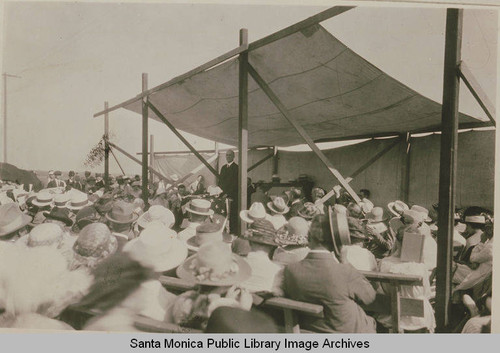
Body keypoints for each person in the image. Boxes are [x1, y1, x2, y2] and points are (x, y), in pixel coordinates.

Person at [283, 214, 376, 333]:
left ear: (309, 239)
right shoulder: (344, 271)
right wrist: (345, 261)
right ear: (336, 243)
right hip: (346, 333)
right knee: (369, 322)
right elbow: (369, 297)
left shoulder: (290, 270)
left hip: (309, 331)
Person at [218, 150, 238, 234]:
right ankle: (223, 231)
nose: (228, 157)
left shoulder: (236, 168)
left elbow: (235, 183)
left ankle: (232, 232)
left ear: (233, 156)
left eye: (230, 155)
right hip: (222, 196)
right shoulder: (223, 168)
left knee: (232, 215)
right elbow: (220, 182)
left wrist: (227, 194)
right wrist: (219, 192)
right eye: (227, 155)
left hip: (231, 196)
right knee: (222, 214)